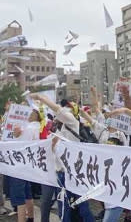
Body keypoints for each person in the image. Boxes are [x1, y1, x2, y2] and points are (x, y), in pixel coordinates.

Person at [30, 93, 95, 222]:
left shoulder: (72, 122)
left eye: (66, 108)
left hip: (73, 173)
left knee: (82, 206)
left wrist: (41, 98)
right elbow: (53, 150)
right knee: (65, 207)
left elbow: (58, 110)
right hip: (60, 173)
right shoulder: (60, 128)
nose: (62, 111)